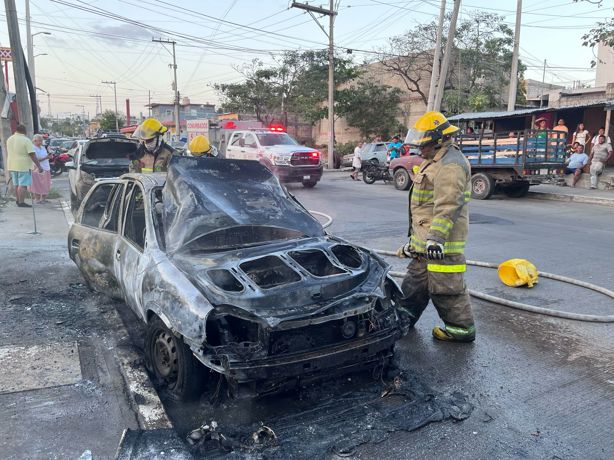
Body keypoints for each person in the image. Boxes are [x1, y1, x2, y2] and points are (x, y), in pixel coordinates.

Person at [395, 111, 475, 343]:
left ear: (438, 140)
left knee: (446, 288)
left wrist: (436, 239)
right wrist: (416, 242)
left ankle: (461, 329)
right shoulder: (435, 160)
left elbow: (447, 205)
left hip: (442, 244)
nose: (420, 150)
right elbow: (424, 208)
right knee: (414, 284)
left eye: (424, 145)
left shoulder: (451, 165)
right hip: (425, 243)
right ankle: (404, 318)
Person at [7, 125, 43, 208]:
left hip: (12, 165)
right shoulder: (26, 140)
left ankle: (18, 200)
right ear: (24, 131)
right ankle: (21, 202)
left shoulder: (10, 139)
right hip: (23, 166)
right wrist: (39, 166)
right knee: (22, 185)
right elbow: (32, 154)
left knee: (16, 184)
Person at [29, 134, 52, 203]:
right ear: (34, 140)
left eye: (41, 141)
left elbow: (45, 156)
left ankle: (43, 198)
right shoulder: (32, 148)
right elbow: (35, 159)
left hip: (46, 167)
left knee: (46, 184)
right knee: (37, 184)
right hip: (37, 168)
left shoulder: (43, 147)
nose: (41, 142)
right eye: (39, 141)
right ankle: (37, 199)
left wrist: (49, 156)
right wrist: (46, 158)